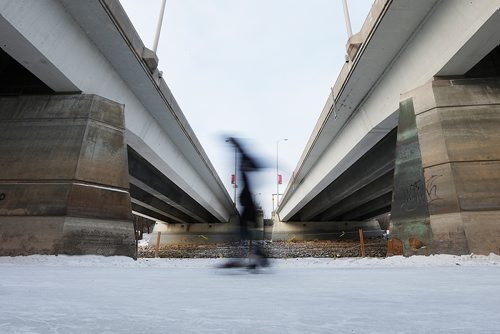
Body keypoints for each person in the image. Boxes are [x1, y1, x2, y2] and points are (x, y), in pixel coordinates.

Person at [220, 137, 269, 270]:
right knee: (245, 233)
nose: (242, 166)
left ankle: (252, 257)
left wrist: (235, 143)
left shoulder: (246, 170)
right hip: (247, 206)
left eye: (245, 165)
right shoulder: (246, 171)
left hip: (249, 207)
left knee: (243, 232)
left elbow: (243, 153)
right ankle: (257, 257)